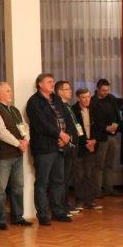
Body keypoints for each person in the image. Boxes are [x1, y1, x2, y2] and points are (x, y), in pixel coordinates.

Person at [26, 73, 72, 225]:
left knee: (58, 181)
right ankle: (43, 215)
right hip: (44, 148)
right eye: (49, 82)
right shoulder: (34, 102)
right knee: (43, 182)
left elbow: (66, 118)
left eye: (53, 81)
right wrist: (60, 134)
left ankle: (58, 211)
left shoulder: (56, 99)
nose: (53, 84)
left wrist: (66, 137)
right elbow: (41, 124)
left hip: (59, 146)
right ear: (40, 84)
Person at [0, 81, 30, 229]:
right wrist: (18, 143)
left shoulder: (15, 110)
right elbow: (1, 132)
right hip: (3, 156)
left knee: (18, 187)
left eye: (10, 90)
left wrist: (26, 140)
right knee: (0, 189)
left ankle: (17, 216)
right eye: (7, 91)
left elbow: (25, 127)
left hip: (17, 155)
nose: (11, 93)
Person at [55, 80, 83, 214]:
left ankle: (66, 204)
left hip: (73, 144)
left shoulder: (68, 105)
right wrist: (67, 138)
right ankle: (63, 206)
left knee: (69, 177)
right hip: (66, 144)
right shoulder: (59, 106)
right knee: (63, 178)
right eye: (67, 89)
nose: (70, 91)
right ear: (60, 92)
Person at [70, 87, 100, 210]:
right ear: (78, 98)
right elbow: (74, 129)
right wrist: (86, 143)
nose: (87, 99)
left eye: (88, 97)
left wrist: (94, 141)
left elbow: (98, 127)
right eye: (84, 97)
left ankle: (90, 200)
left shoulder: (95, 109)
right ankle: (80, 200)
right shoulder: (73, 110)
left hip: (92, 145)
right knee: (79, 174)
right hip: (79, 147)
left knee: (90, 174)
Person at [92, 79, 122, 197]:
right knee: (99, 164)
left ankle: (109, 187)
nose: (106, 92)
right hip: (101, 136)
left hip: (112, 134)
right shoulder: (93, 101)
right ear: (97, 89)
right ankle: (97, 190)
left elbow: (117, 113)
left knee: (110, 164)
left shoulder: (111, 98)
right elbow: (94, 121)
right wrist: (105, 128)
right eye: (103, 90)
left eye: (108, 90)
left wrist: (116, 124)